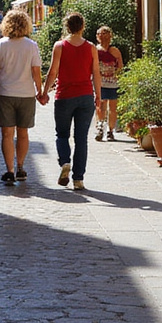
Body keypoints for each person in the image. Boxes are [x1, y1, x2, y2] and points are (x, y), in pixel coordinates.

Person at [40, 12, 101, 191]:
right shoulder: (91, 47)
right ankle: (78, 179)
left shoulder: (60, 46)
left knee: (62, 134)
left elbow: (53, 72)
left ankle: (65, 162)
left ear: (67, 26)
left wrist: (44, 92)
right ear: (83, 26)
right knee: (81, 139)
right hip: (85, 96)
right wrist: (98, 96)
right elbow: (96, 73)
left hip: (65, 96)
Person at [0, 9, 44, 185]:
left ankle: (9, 170)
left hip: (5, 93)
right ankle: (20, 166)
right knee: (23, 133)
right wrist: (39, 90)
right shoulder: (31, 46)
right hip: (26, 94)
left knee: (6, 134)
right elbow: (36, 71)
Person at [94, 25, 124, 142]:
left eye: (105, 34)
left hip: (113, 83)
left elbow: (120, 65)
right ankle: (100, 128)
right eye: (101, 34)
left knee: (112, 107)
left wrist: (115, 74)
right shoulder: (96, 50)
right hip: (100, 83)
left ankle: (110, 130)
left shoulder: (115, 51)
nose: (103, 36)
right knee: (101, 106)